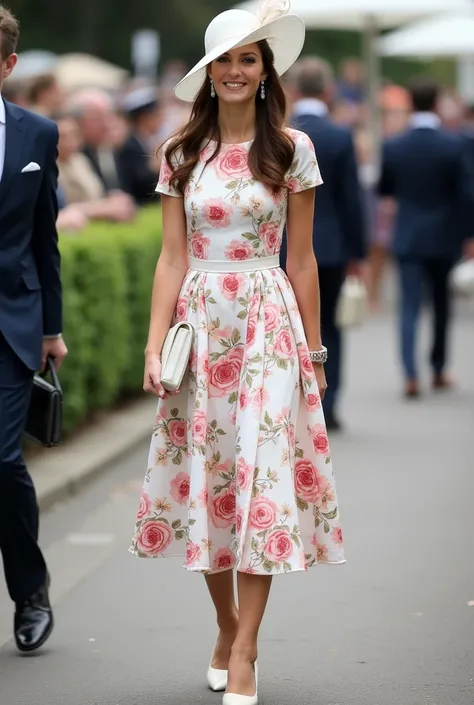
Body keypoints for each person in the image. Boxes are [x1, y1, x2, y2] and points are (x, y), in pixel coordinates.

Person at [129, 3, 345, 704]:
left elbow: (304, 261)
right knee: (211, 484)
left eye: (248, 59)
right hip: (200, 324)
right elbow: (170, 257)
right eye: (224, 59)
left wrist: (313, 350)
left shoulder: (292, 148)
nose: (234, 70)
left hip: (267, 324)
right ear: (209, 71)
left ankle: (246, 649)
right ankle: (224, 623)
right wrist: (154, 343)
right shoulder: (178, 152)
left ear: (263, 71)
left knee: (260, 486)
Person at [0, 5, 68, 652]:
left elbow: (43, 237)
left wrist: (52, 326)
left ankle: (30, 589)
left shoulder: (37, 134)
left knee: (0, 458)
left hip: (10, 324)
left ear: (8, 64)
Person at [280, 57, 365, 431]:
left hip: (283, 246)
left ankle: (289, 404)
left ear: (295, 91)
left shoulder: (281, 134)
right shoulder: (340, 134)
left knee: (287, 327)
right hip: (331, 247)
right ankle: (327, 407)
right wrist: (356, 252)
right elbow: (352, 199)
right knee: (328, 325)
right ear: (328, 91)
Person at [379, 77, 474, 397]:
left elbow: (385, 188)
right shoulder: (455, 143)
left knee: (408, 306)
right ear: (436, 104)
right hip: (444, 234)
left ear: (410, 103)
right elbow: (465, 194)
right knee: (441, 305)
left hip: (407, 233)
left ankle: (409, 373)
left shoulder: (394, 144)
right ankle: (437, 367)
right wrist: (469, 234)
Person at [116, 86, 162, 205]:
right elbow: (140, 184)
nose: (160, 119)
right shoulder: (130, 147)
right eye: (156, 114)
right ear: (144, 118)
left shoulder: (146, 141)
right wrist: (156, 168)